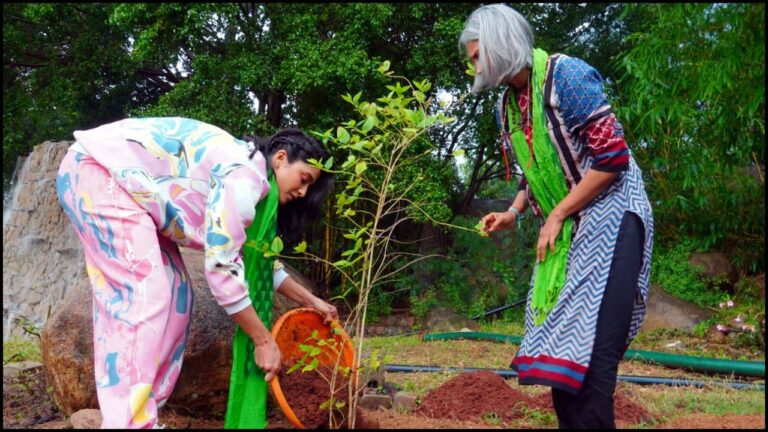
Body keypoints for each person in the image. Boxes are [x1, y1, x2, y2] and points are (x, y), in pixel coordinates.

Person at [55, 117, 338, 429]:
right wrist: (263, 340)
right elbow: (221, 268)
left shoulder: (253, 182)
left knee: (177, 300)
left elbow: (254, 260)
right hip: (98, 171)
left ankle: (143, 415)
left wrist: (312, 301)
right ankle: (127, 423)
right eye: (304, 178)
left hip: (134, 198)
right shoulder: (243, 177)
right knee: (144, 294)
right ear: (281, 158)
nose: (303, 191)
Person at [460, 5, 654, 429]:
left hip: (612, 219)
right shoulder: (507, 106)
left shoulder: (567, 77)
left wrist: (559, 212)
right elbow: (537, 173)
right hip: (570, 233)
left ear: (501, 44)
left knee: (594, 363)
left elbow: (611, 159)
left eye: (478, 56)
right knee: (562, 366)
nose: (474, 67)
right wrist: (513, 212)